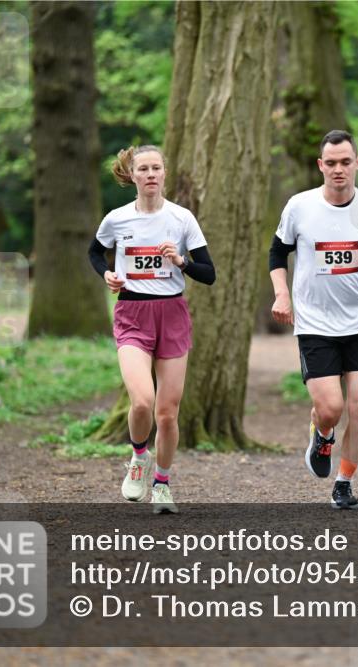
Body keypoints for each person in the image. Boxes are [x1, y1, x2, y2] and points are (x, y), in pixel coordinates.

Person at [269, 130, 358, 509]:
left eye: (346, 161)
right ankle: (322, 432)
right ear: (320, 165)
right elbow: (277, 253)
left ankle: (344, 482)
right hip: (315, 324)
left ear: (357, 163)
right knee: (331, 408)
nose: (339, 169)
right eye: (331, 163)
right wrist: (282, 294)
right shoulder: (300, 206)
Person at [87, 145, 216, 514]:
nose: (150, 175)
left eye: (156, 168)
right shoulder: (117, 219)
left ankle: (161, 484)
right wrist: (107, 274)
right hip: (132, 313)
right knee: (142, 400)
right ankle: (139, 456)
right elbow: (94, 253)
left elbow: (209, 273)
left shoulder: (182, 218)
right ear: (133, 175)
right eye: (143, 169)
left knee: (167, 413)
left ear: (164, 172)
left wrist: (181, 261)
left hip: (172, 314)